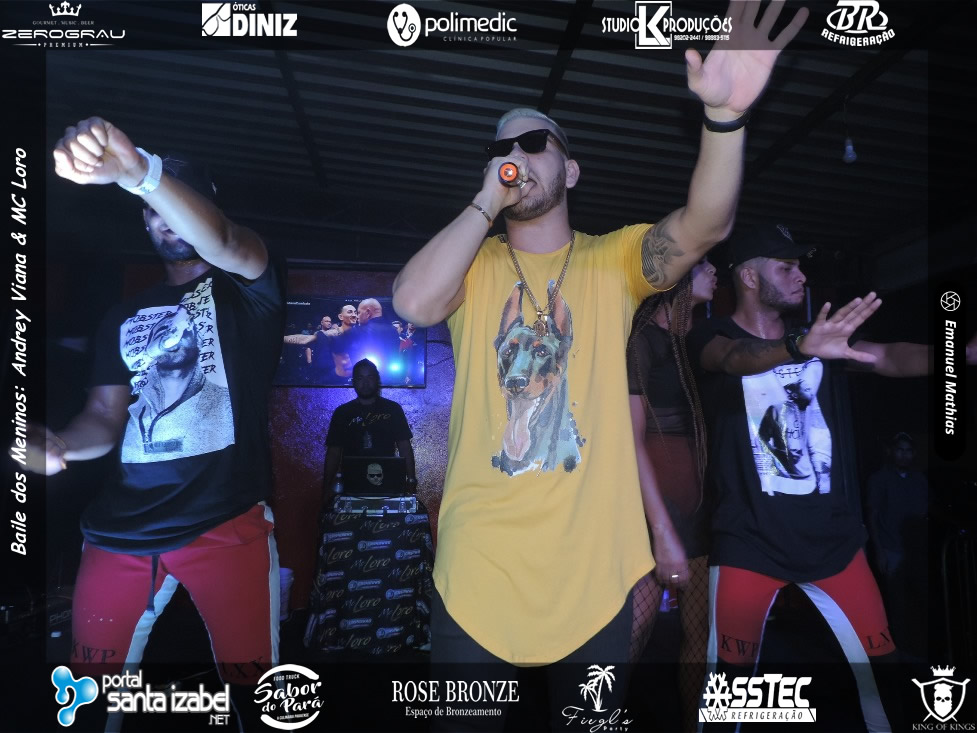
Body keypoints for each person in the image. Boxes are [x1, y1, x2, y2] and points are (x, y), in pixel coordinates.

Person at [391, 3, 808, 727]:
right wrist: (486, 197)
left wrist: (724, 120)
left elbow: (705, 225)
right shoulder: (473, 262)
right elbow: (412, 302)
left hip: (593, 580)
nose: (516, 153)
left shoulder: (612, 258)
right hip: (477, 577)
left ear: (571, 167)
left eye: (534, 142)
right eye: (501, 147)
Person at [24, 117, 284, 730]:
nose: (164, 217)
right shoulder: (123, 315)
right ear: (143, 222)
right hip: (117, 532)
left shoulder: (250, 284)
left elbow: (224, 241)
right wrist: (58, 444)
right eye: (151, 210)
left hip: (226, 522)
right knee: (86, 701)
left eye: (173, 202)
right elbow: (103, 419)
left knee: (259, 702)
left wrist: (143, 174)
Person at [685, 221, 951, 731]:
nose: (801, 276)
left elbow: (890, 356)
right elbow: (734, 359)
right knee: (728, 695)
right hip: (749, 543)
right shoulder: (712, 336)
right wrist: (800, 347)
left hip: (834, 543)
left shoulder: (822, 342)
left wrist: (960, 355)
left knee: (883, 677)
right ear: (748, 277)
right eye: (786, 267)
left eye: (800, 267)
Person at [626, 257, 716, 731]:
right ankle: (593, 717)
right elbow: (630, 437)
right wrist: (658, 522)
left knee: (699, 630)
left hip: (695, 498)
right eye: (705, 265)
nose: (714, 271)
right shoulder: (642, 340)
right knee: (637, 625)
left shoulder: (690, 342)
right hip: (655, 499)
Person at [864, 431, 928, 659]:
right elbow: (872, 516)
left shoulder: (919, 479)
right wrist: (879, 552)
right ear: (892, 452)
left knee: (922, 600)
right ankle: (901, 651)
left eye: (908, 451)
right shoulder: (879, 479)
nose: (904, 455)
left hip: (917, 551)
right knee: (897, 603)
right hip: (891, 551)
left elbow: (924, 514)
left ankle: (922, 647)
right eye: (900, 450)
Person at [322, 359, 417, 494]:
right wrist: (326, 487)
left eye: (370, 377)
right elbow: (334, 452)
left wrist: (411, 480)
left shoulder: (393, 409)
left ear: (377, 380)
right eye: (360, 378)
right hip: (351, 483)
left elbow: (404, 447)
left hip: (388, 481)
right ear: (353, 382)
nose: (365, 383)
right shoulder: (342, 412)